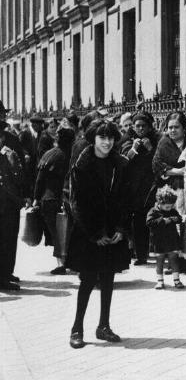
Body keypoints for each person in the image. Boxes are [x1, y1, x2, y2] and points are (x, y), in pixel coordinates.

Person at [65, 120, 132, 349]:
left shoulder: (120, 164)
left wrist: (122, 228)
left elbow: (126, 199)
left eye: (111, 137)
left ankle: (104, 325)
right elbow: (76, 203)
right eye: (102, 137)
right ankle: (77, 328)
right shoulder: (82, 165)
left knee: (108, 278)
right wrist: (94, 233)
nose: (107, 142)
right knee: (88, 279)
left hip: (113, 231)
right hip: (89, 232)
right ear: (93, 139)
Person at [33, 125, 76, 275]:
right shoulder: (74, 155)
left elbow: (40, 180)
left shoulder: (50, 154)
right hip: (69, 199)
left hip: (50, 199)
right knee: (68, 231)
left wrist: (36, 198)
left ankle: (61, 264)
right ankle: (70, 260)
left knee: (56, 232)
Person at [121, 111, 161, 265]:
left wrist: (150, 148)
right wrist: (134, 149)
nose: (141, 128)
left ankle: (159, 251)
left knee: (153, 218)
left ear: (149, 127)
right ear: (133, 127)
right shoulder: (128, 140)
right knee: (138, 221)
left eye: (144, 126)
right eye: (137, 126)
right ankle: (141, 255)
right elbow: (123, 160)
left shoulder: (156, 140)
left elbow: (160, 160)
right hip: (135, 188)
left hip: (151, 186)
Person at [0, 126, 25, 291]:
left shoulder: (10, 145)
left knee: (8, 239)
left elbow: (20, 172)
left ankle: (6, 274)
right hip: (5, 201)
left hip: (9, 202)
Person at [146, 186, 184, 290]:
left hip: (172, 240)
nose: (169, 209)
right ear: (160, 203)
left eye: (171, 206)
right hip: (158, 241)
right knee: (160, 261)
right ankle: (160, 281)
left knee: (174, 260)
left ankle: (177, 280)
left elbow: (179, 219)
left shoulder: (172, 211)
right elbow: (149, 222)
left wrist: (175, 219)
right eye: (167, 207)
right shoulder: (153, 211)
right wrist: (162, 221)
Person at [152, 111, 186, 216]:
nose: (173, 130)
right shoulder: (164, 143)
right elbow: (156, 166)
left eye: (176, 127)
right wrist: (178, 171)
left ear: (184, 128)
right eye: (170, 127)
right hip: (169, 191)